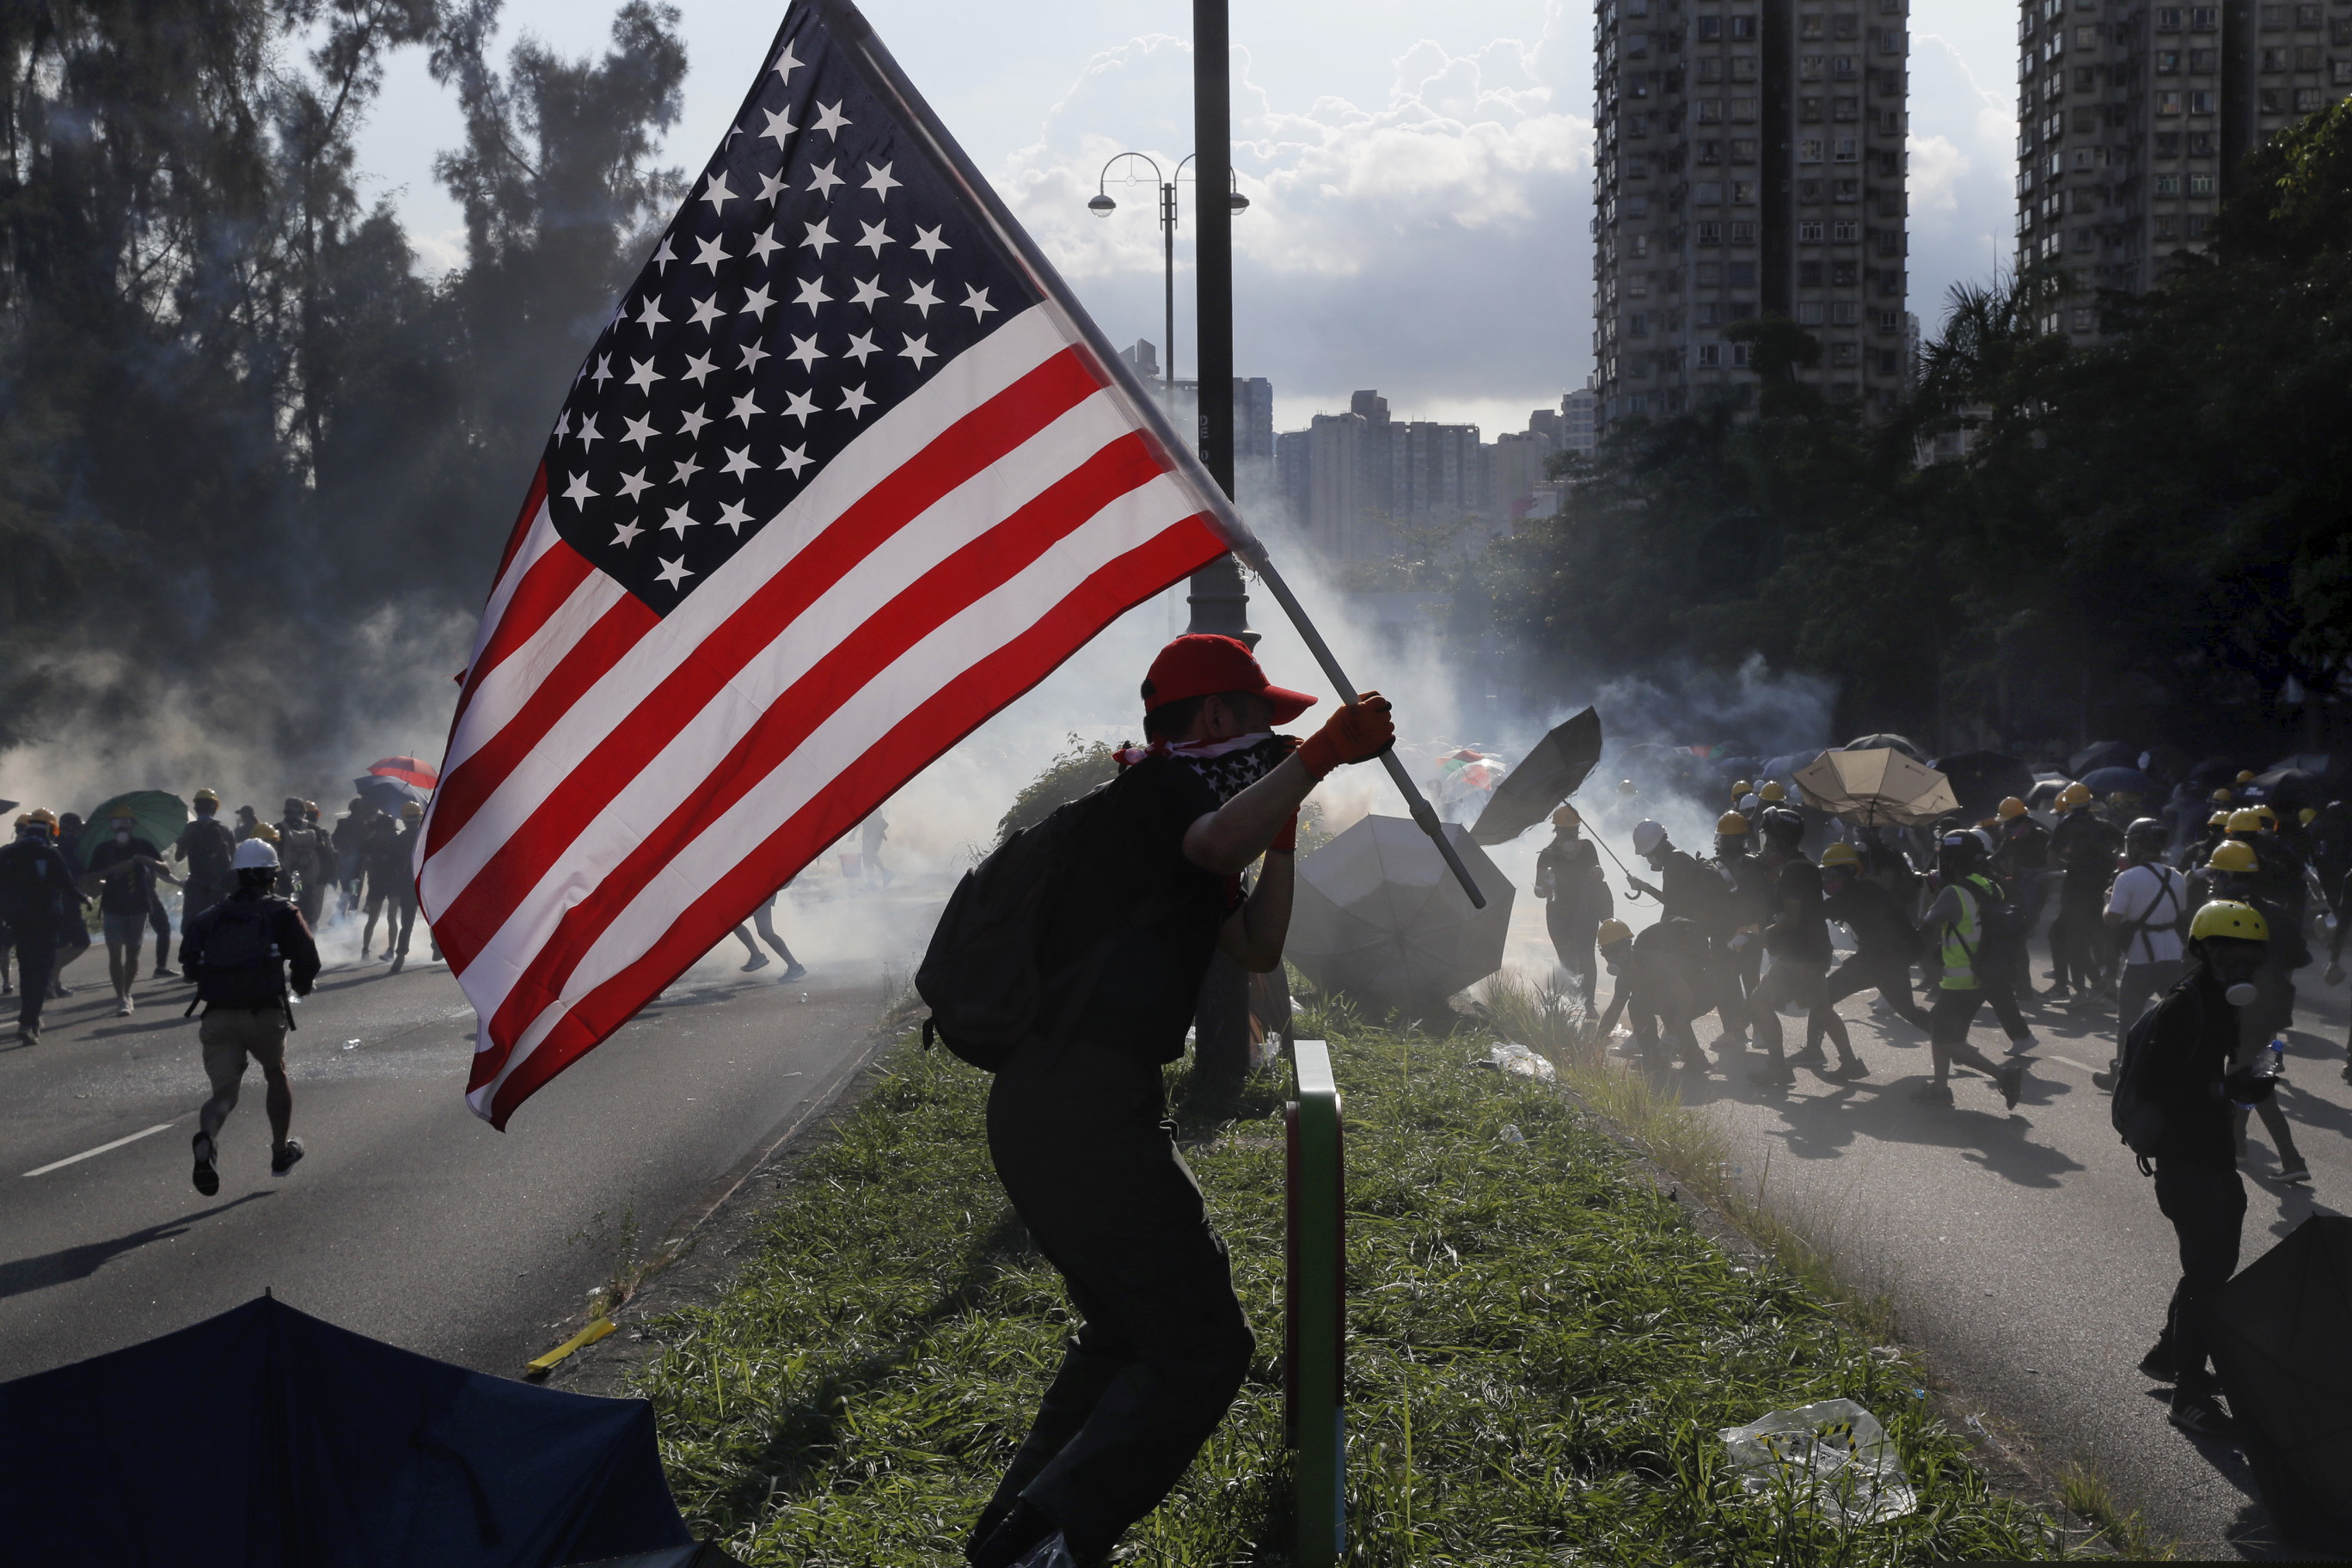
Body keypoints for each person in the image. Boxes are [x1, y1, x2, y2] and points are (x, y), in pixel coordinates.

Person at [965, 634, 1393, 1568]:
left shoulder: (1181, 820)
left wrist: (1283, 825)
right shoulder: (1158, 792)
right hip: (1076, 1105)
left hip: (1070, 1106)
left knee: (1125, 1333)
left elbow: (1257, 947)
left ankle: (1013, 1537)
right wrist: (1319, 753)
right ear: (1212, 719)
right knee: (1202, 1347)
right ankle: (1051, 1540)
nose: (1272, 741)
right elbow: (1212, 839)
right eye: (1260, 724)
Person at [2130, 900, 2282, 1437]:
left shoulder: (2221, 1002)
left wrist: (2250, 1080)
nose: (2242, 966)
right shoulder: (2185, 1005)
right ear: (2206, 950)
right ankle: (2188, 1395)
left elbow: (2209, 1075)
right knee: (2209, 1274)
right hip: (2183, 1158)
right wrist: (2224, 1088)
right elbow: (2153, 1083)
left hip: (2211, 1152)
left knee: (2215, 1263)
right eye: (2230, 954)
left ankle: (2168, 1355)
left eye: (2250, 958)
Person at [180, 837, 320, 1194]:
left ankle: (207, 1138)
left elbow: (189, 965)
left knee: (223, 1096)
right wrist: (301, 987)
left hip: (218, 1016)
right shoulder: (283, 912)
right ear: (273, 875)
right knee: (275, 1072)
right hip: (264, 1012)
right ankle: (279, 1152)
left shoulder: (210, 917)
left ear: (237, 876)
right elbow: (307, 960)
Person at [1917, 830, 2030, 1108]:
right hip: (1985, 975)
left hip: (1961, 980)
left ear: (1952, 862)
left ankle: (2003, 1074)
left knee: (1945, 1038)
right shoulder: (1991, 886)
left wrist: (1930, 896)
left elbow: (1926, 926)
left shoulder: (1952, 893)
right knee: (1940, 1028)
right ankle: (1941, 1088)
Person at [1746, 812, 1862, 1082]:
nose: (1766, 844)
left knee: (1759, 1001)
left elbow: (1792, 918)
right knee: (1821, 1008)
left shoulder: (1794, 871)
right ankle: (1850, 1062)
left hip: (1799, 956)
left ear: (1779, 840)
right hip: (1816, 951)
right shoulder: (1804, 864)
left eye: (1769, 838)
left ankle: (1777, 1067)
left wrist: (1764, 934)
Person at [2101, 818, 2189, 1081]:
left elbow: (2113, 919)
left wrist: (2106, 902)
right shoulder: (2177, 876)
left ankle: (2122, 1074)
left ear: (2135, 844)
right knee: (2177, 1020)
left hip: (2140, 959)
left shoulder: (2126, 878)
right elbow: (2179, 914)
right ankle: (2179, 1072)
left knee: (2128, 1022)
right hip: (2172, 956)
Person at [1819, 842, 1931, 1031]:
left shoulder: (1849, 897)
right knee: (1908, 1011)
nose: (1827, 879)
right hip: (1894, 958)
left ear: (1845, 872)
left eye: (1830, 874)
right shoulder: (1870, 888)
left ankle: (1815, 1051)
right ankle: (1951, 1038)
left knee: (1821, 999)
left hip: (1876, 961)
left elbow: (1815, 913)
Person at [1594, 916, 1716, 1075]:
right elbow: (1614, 1010)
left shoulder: (1653, 963)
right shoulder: (1626, 974)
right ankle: (1653, 1057)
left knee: (1669, 1009)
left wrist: (1672, 1035)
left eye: (1615, 950)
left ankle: (1695, 1059)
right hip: (1679, 997)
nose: (1612, 957)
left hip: (1704, 991)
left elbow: (1685, 997)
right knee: (1637, 1005)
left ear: (1628, 944)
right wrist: (1597, 1042)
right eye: (1606, 952)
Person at [0, 810, 83, 1044]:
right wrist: (83, 898)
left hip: (19, 922)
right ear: (50, 831)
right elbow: (66, 885)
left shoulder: (7, 853)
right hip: (46, 922)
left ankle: (30, 1019)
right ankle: (29, 1021)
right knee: (41, 973)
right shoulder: (49, 854)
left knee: (27, 972)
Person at [82, 808, 175, 1017]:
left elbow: (166, 869)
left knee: (132, 954)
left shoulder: (143, 846)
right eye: (116, 823)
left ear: (133, 824)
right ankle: (121, 997)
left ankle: (127, 991)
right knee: (115, 955)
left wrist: (147, 860)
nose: (121, 826)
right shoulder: (104, 849)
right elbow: (89, 879)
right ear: (111, 827)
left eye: (125, 822)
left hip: (139, 906)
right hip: (113, 906)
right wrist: (112, 870)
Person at [2048, 782, 2122, 1000]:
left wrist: (2072, 863)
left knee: (2071, 940)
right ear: (2089, 802)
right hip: (2098, 891)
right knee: (2067, 936)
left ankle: (2079, 991)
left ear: (2069, 804)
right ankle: (2093, 983)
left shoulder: (2065, 826)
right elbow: (2126, 842)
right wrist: (2108, 862)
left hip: (2075, 891)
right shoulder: (2104, 826)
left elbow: (2051, 859)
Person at [1534, 804, 1608, 1008]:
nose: (1569, 836)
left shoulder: (1588, 848)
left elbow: (1598, 870)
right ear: (1556, 831)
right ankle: (1574, 1002)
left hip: (1586, 911)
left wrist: (1598, 872)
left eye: (1573, 831)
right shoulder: (1547, 855)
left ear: (1578, 830)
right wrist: (1544, 890)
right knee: (1567, 960)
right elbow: (1537, 889)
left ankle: (1589, 1003)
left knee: (1586, 955)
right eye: (1565, 831)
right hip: (1558, 915)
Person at [172, 788, 238, 936]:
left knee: (191, 929)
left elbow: (178, 857)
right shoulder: (225, 829)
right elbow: (235, 860)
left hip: (196, 887)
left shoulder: (189, 829)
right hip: (219, 888)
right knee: (220, 928)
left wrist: (180, 843)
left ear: (196, 808)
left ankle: (194, 956)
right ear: (215, 808)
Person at [358, 800, 411, 963]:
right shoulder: (394, 841)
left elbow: (364, 864)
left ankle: (380, 949)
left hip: (382, 882)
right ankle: (371, 949)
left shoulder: (371, 842)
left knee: (386, 918)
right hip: (386, 882)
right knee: (380, 918)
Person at [274, 796, 330, 930]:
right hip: (308, 880)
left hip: (285, 881)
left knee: (285, 915)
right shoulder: (314, 829)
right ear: (303, 812)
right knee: (307, 916)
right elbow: (324, 856)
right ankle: (309, 945)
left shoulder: (277, 829)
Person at [732, 888, 807, 980]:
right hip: (762, 891)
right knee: (765, 932)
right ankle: (794, 966)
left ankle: (757, 956)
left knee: (731, 921)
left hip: (758, 892)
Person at [331, 796, 374, 920]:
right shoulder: (361, 826)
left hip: (343, 861)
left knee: (346, 889)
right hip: (355, 864)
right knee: (354, 890)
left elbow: (334, 840)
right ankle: (350, 915)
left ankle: (339, 915)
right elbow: (366, 845)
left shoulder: (343, 823)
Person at [859, 811, 892, 886]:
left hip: (873, 835)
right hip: (869, 835)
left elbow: (877, 822)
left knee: (869, 855)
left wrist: (853, 834)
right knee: (867, 858)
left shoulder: (874, 808)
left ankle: (885, 872)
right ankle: (871, 881)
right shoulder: (870, 807)